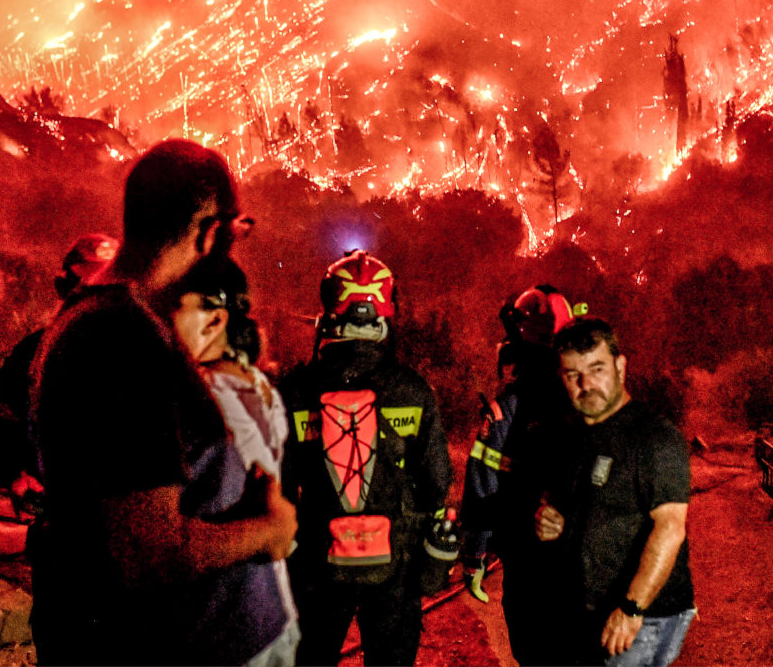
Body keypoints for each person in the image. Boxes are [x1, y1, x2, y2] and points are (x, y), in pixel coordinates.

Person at [30, 139, 298, 666]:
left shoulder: (110, 321)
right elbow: (145, 554)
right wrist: (269, 531)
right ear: (208, 233)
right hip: (150, 647)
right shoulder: (120, 341)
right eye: (235, 231)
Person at [281, 249, 451, 666]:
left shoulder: (297, 390)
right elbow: (437, 483)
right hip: (394, 566)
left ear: (330, 308)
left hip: (318, 565)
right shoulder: (413, 390)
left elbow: (279, 484)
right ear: (385, 312)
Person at [536, 317, 695, 667]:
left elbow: (670, 528)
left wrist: (632, 607)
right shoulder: (573, 437)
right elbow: (589, 509)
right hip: (588, 613)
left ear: (621, 367)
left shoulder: (655, 438)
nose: (585, 384)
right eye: (571, 374)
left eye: (596, 369)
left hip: (644, 616)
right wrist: (551, 519)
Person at [170, 254, 300, 667]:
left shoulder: (204, 403)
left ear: (213, 321)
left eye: (170, 305)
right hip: (264, 614)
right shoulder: (258, 385)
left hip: (220, 630)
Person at [459, 285, 575, 664]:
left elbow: (483, 477)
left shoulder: (507, 405)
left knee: (534, 651)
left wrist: (474, 552)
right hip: (583, 558)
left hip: (527, 558)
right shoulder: (591, 397)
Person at [0, 232, 118, 513]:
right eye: (84, 288)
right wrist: (17, 472)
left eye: (105, 290)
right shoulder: (33, 352)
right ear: (64, 288)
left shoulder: (141, 356)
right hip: (57, 510)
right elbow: (5, 418)